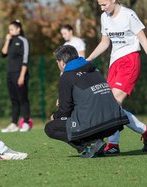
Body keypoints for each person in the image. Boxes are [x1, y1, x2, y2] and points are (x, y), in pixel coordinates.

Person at [45, 45, 129, 158]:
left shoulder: (66, 76)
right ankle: (96, 143)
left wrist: (55, 116)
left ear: (62, 63)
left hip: (97, 126)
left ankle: (89, 145)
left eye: (57, 62)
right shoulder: (94, 69)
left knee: (50, 127)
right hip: (115, 123)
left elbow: (65, 111)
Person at [86, 0, 147, 154]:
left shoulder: (129, 15)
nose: (102, 7)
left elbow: (143, 40)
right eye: (100, 4)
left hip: (130, 61)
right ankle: (120, 141)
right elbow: (105, 42)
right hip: (115, 64)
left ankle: (114, 143)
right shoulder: (104, 17)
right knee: (110, 104)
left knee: (112, 103)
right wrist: (88, 59)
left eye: (104, 4)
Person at [1, 20, 32, 133]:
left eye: (12, 29)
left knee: (23, 99)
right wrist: (7, 40)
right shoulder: (10, 41)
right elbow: (3, 53)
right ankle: (14, 123)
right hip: (10, 74)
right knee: (14, 100)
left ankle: (26, 122)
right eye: (9, 30)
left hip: (20, 74)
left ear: (18, 29)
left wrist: (22, 76)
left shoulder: (23, 41)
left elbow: (25, 59)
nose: (10, 31)